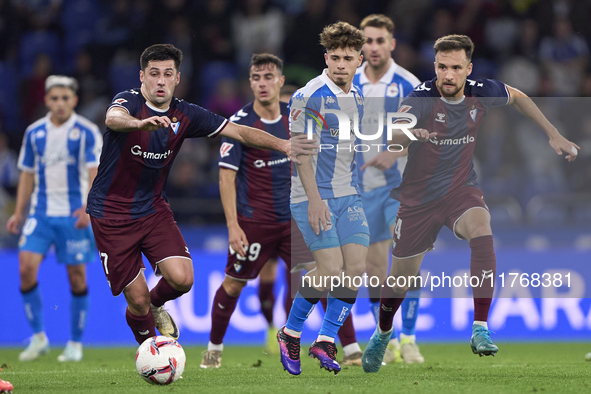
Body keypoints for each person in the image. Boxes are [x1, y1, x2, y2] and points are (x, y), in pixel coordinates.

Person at [362, 34, 580, 373]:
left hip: (460, 190)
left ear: (468, 69)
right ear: (434, 66)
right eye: (441, 67)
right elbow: (397, 133)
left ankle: (480, 327)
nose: (447, 75)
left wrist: (553, 134)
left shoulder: (483, 90)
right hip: (418, 200)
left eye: (455, 68)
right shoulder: (419, 99)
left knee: (482, 227)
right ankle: (383, 332)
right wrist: (405, 138)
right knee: (399, 279)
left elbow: (519, 97)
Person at [85, 44, 310, 346]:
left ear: (178, 78)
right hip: (110, 213)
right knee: (135, 300)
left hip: (152, 209)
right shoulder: (129, 102)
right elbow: (113, 118)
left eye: (168, 74)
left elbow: (240, 132)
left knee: (183, 278)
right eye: (154, 74)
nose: (161, 81)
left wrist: (283, 145)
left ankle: (156, 305)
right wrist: (139, 124)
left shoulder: (186, 114)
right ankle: (151, 349)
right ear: (142, 77)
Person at [278, 21, 368, 376]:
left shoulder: (357, 97)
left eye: (348, 58)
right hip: (311, 196)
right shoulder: (308, 96)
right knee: (331, 269)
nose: (341, 64)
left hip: (350, 194)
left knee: (356, 269)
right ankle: (291, 332)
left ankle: (326, 339)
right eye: (336, 57)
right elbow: (300, 154)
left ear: (359, 60)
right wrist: (315, 200)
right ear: (326, 58)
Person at [200, 53, 292, 368]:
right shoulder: (238, 124)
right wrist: (232, 226)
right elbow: (227, 176)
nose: (263, 83)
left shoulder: (297, 118)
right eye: (256, 78)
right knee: (233, 283)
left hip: (294, 219)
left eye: (269, 77)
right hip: (254, 221)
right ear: (249, 82)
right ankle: (213, 349)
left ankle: (319, 343)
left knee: (311, 281)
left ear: (280, 81)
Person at [7, 75, 103, 362]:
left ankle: (75, 343)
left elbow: (92, 171)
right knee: (25, 268)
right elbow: (27, 173)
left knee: (76, 277)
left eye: (66, 98)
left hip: (74, 214)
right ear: (46, 100)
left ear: (74, 100)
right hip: (41, 213)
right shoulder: (34, 133)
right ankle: (38, 337)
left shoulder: (86, 132)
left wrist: (89, 204)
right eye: (55, 98)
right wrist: (19, 212)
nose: (60, 103)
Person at [353, 14, 424, 364]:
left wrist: (393, 150)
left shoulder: (408, 84)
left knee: (407, 263)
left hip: (401, 187)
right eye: (367, 41)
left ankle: (409, 338)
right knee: (373, 268)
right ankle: (388, 337)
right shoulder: (348, 83)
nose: (373, 47)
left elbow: (423, 135)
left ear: (392, 44)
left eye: (380, 40)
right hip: (361, 189)